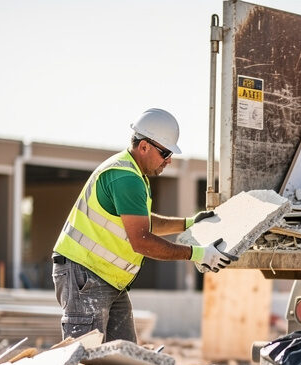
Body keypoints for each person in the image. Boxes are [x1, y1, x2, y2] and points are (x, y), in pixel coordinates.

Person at [52, 108, 234, 343]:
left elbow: (143, 223)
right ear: (144, 146)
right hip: (85, 275)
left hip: (108, 278)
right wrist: (198, 254)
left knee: (124, 358)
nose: (169, 160)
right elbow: (141, 241)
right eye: (165, 152)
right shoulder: (125, 177)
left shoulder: (135, 175)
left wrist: (188, 224)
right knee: (83, 359)